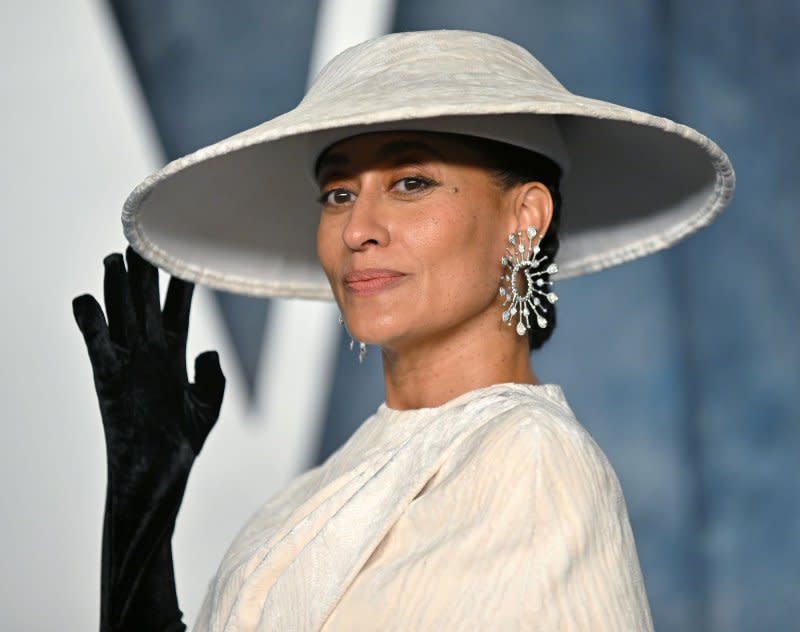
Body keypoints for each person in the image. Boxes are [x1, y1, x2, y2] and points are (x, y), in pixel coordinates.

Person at [73, 30, 734, 630]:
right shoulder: (311, 496)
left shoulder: (532, 459)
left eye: (411, 182)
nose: (358, 228)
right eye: (338, 194)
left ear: (524, 216)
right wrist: (142, 515)